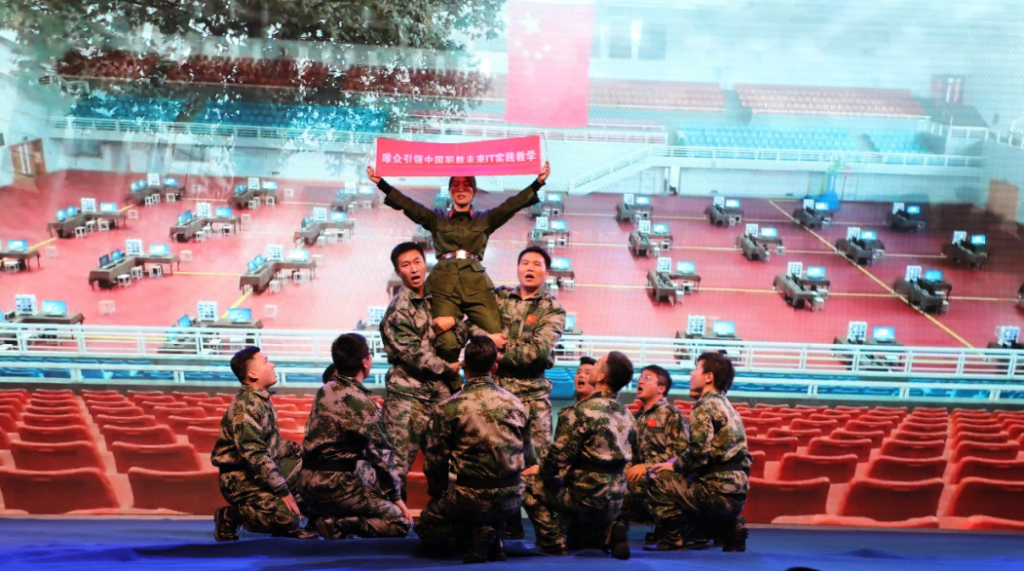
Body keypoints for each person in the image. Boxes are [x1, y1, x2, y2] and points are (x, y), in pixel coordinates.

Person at [366, 161, 551, 364]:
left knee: (495, 337)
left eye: (466, 185)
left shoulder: (486, 219)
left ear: (474, 191)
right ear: (450, 191)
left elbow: (512, 205)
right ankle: (450, 379)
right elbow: (409, 205)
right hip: (443, 286)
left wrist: (538, 183)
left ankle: (484, 380)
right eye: (455, 185)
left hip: (477, 285)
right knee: (445, 342)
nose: (461, 189)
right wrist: (382, 184)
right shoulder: (436, 218)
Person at [453, 246, 565, 539]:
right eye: (525, 263)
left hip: (532, 397)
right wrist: (487, 338)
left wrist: (496, 354)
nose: (530, 268)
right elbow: (470, 326)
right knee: (498, 461)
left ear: (546, 272)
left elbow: (539, 351)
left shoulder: (552, 309)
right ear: (517, 268)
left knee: (537, 465)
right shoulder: (498, 298)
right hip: (498, 395)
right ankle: (506, 527)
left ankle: (549, 534)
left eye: (537, 264)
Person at [416, 336, 531, 564]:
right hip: (512, 498)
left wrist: (437, 493)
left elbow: (435, 461)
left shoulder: (448, 407)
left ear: (463, 366)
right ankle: (494, 535)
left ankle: (474, 535)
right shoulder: (517, 404)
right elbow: (525, 453)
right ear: (495, 368)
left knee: (425, 525)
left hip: (470, 499)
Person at [522, 351, 636, 560]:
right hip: (616, 500)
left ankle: (552, 541)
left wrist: (541, 471)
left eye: (598, 363)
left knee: (524, 482)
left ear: (601, 377)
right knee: (579, 535)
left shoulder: (581, 411)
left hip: (586, 497)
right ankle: (609, 531)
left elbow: (556, 459)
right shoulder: (627, 414)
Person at [299, 333, 413, 540]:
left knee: (364, 472)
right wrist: (396, 499)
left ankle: (326, 518)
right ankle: (338, 525)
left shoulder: (324, 391)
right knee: (399, 522)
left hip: (306, 484)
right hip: (335, 486)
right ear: (365, 362)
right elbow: (382, 456)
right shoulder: (365, 405)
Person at [379, 242, 465, 496]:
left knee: (445, 465)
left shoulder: (439, 301)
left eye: (417, 262)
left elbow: (460, 334)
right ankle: (395, 517)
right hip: (408, 398)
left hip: (440, 397)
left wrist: (455, 321)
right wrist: (450, 368)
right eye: (406, 265)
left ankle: (441, 515)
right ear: (398, 272)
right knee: (396, 468)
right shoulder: (398, 310)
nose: (414, 269)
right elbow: (415, 355)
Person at [211, 347, 316, 541]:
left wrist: (304, 451)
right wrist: (282, 492)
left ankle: (302, 517)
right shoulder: (246, 406)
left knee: (316, 474)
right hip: (241, 480)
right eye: (266, 361)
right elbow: (255, 454)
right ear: (252, 374)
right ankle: (230, 516)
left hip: (258, 473)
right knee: (285, 518)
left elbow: (269, 444)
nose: (272, 365)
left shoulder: (260, 400)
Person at [651, 352, 750, 552]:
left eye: (696, 368)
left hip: (715, 495)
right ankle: (727, 528)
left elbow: (699, 453)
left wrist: (675, 466)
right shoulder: (728, 407)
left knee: (656, 476)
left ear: (709, 377)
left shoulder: (704, 406)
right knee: (687, 477)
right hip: (737, 496)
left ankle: (678, 537)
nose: (691, 373)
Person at [620, 365, 693, 550]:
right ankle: (615, 530)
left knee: (645, 479)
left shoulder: (671, 414)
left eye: (647, 378)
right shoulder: (638, 418)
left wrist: (647, 466)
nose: (640, 381)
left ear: (661, 388)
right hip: (641, 476)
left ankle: (675, 530)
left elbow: (680, 452)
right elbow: (632, 453)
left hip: (665, 478)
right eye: (640, 378)